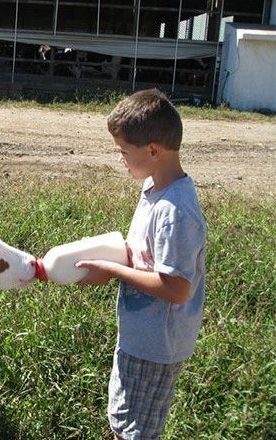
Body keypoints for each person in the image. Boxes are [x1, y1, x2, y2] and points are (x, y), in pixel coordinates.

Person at [76, 88, 206, 440]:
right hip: (140, 334)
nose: (120, 159)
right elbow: (145, 254)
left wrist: (114, 270)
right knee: (124, 417)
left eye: (123, 152)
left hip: (156, 344)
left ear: (152, 150)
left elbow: (177, 289)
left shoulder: (175, 211)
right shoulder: (153, 187)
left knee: (136, 430)